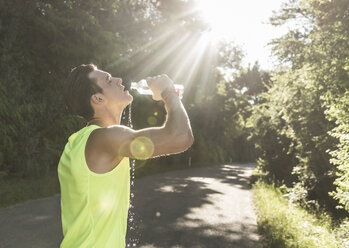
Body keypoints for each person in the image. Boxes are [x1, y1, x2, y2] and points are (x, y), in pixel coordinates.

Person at [57, 63, 194, 248]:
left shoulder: (80, 141)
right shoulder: (105, 138)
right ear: (97, 98)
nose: (118, 80)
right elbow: (180, 136)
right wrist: (168, 93)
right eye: (108, 80)